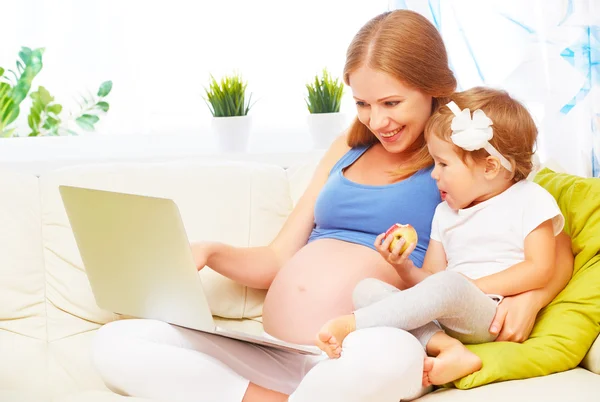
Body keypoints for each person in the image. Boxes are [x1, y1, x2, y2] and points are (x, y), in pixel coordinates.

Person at [90, 10, 574, 402]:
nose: (376, 119)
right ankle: (273, 398)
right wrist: (212, 252)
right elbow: (277, 259)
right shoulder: (348, 145)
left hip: (369, 348)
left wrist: (529, 299)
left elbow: (554, 240)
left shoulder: (461, 155)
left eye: (390, 102)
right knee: (117, 344)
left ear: (433, 88)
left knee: (386, 357)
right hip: (278, 350)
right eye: (363, 103)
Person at [316, 87, 565, 387]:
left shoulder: (530, 198)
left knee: (448, 284)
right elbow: (431, 280)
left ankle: (352, 325)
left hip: (491, 313)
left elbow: (540, 268)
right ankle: (448, 349)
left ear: (490, 166)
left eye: (443, 164)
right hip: (449, 314)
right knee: (366, 290)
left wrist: (470, 287)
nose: (434, 174)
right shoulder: (445, 214)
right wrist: (403, 267)